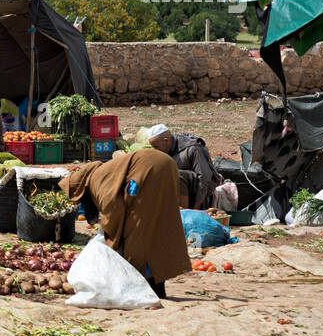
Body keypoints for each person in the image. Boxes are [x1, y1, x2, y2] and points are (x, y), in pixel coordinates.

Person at [59, 147, 190, 299]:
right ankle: (157, 287)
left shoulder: (97, 180)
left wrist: (110, 242)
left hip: (149, 170)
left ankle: (143, 286)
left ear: (81, 190)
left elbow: (114, 211)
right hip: (167, 165)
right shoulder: (102, 172)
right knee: (158, 227)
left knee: (137, 233)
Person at [147, 124, 219, 210]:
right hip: (182, 187)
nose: (155, 150)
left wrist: (196, 207)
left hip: (200, 190)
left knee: (178, 174)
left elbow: (204, 177)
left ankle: (184, 212)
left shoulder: (192, 148)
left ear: (166, 140)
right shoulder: (167, 148)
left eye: (156, 147)